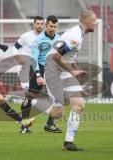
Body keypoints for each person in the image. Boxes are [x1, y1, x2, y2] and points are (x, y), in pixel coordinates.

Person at [32, 10, 97, 151]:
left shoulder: (79, 34)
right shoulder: (75, 36)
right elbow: (55, 56)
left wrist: (76, 69)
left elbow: (67, 57)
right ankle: (33, 101)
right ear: (88, 22)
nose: (96, 23)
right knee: (58, 113)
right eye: (94, 20)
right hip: (52, 70)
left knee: (79, 106)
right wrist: (72, 70)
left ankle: (68, 143)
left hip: (64, 72)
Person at [30, 15, 62, 133]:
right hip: (39, 68)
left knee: (57, 98)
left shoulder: (59, 39)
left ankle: (50, 124)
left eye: (54, 26)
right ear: (46, 25)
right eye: (50, 26)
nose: (52, 28)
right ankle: (24, 124)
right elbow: (34, 59)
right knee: (30, 97)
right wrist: (38, 75)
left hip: (52, 70)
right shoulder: (38, 40)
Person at [13, 16, 45, 133]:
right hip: (24, 69)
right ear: (34, 24)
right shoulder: (26, 36)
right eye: (38, 23)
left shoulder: (45, 38)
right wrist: (18, 58)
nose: (40, 26)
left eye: (42, 24)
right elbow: (14, 48)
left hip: (37, 70)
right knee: (29, 96)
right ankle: (24, 125)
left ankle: (23, 123)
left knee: (30, 98)